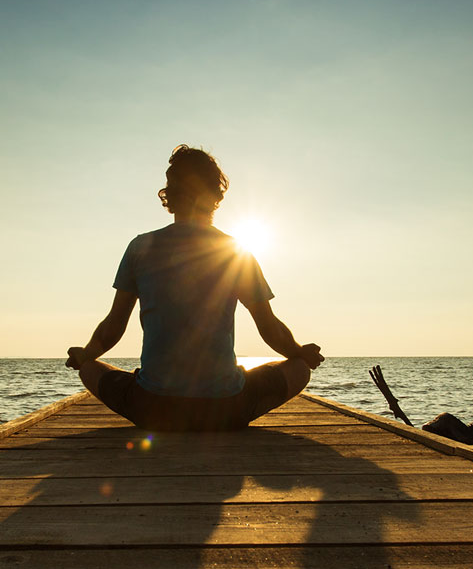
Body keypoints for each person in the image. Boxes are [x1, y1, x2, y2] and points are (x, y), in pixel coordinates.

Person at [66, 145, 324, 431]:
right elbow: (270, 328)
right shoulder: (235, 251)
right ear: (216, 195)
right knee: (298, 369)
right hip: (224, 409)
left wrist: (85, 355)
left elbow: (113, 327)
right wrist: (301, 351)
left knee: (91, 368)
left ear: (169, 194)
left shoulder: (141, 248)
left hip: (153, 409)